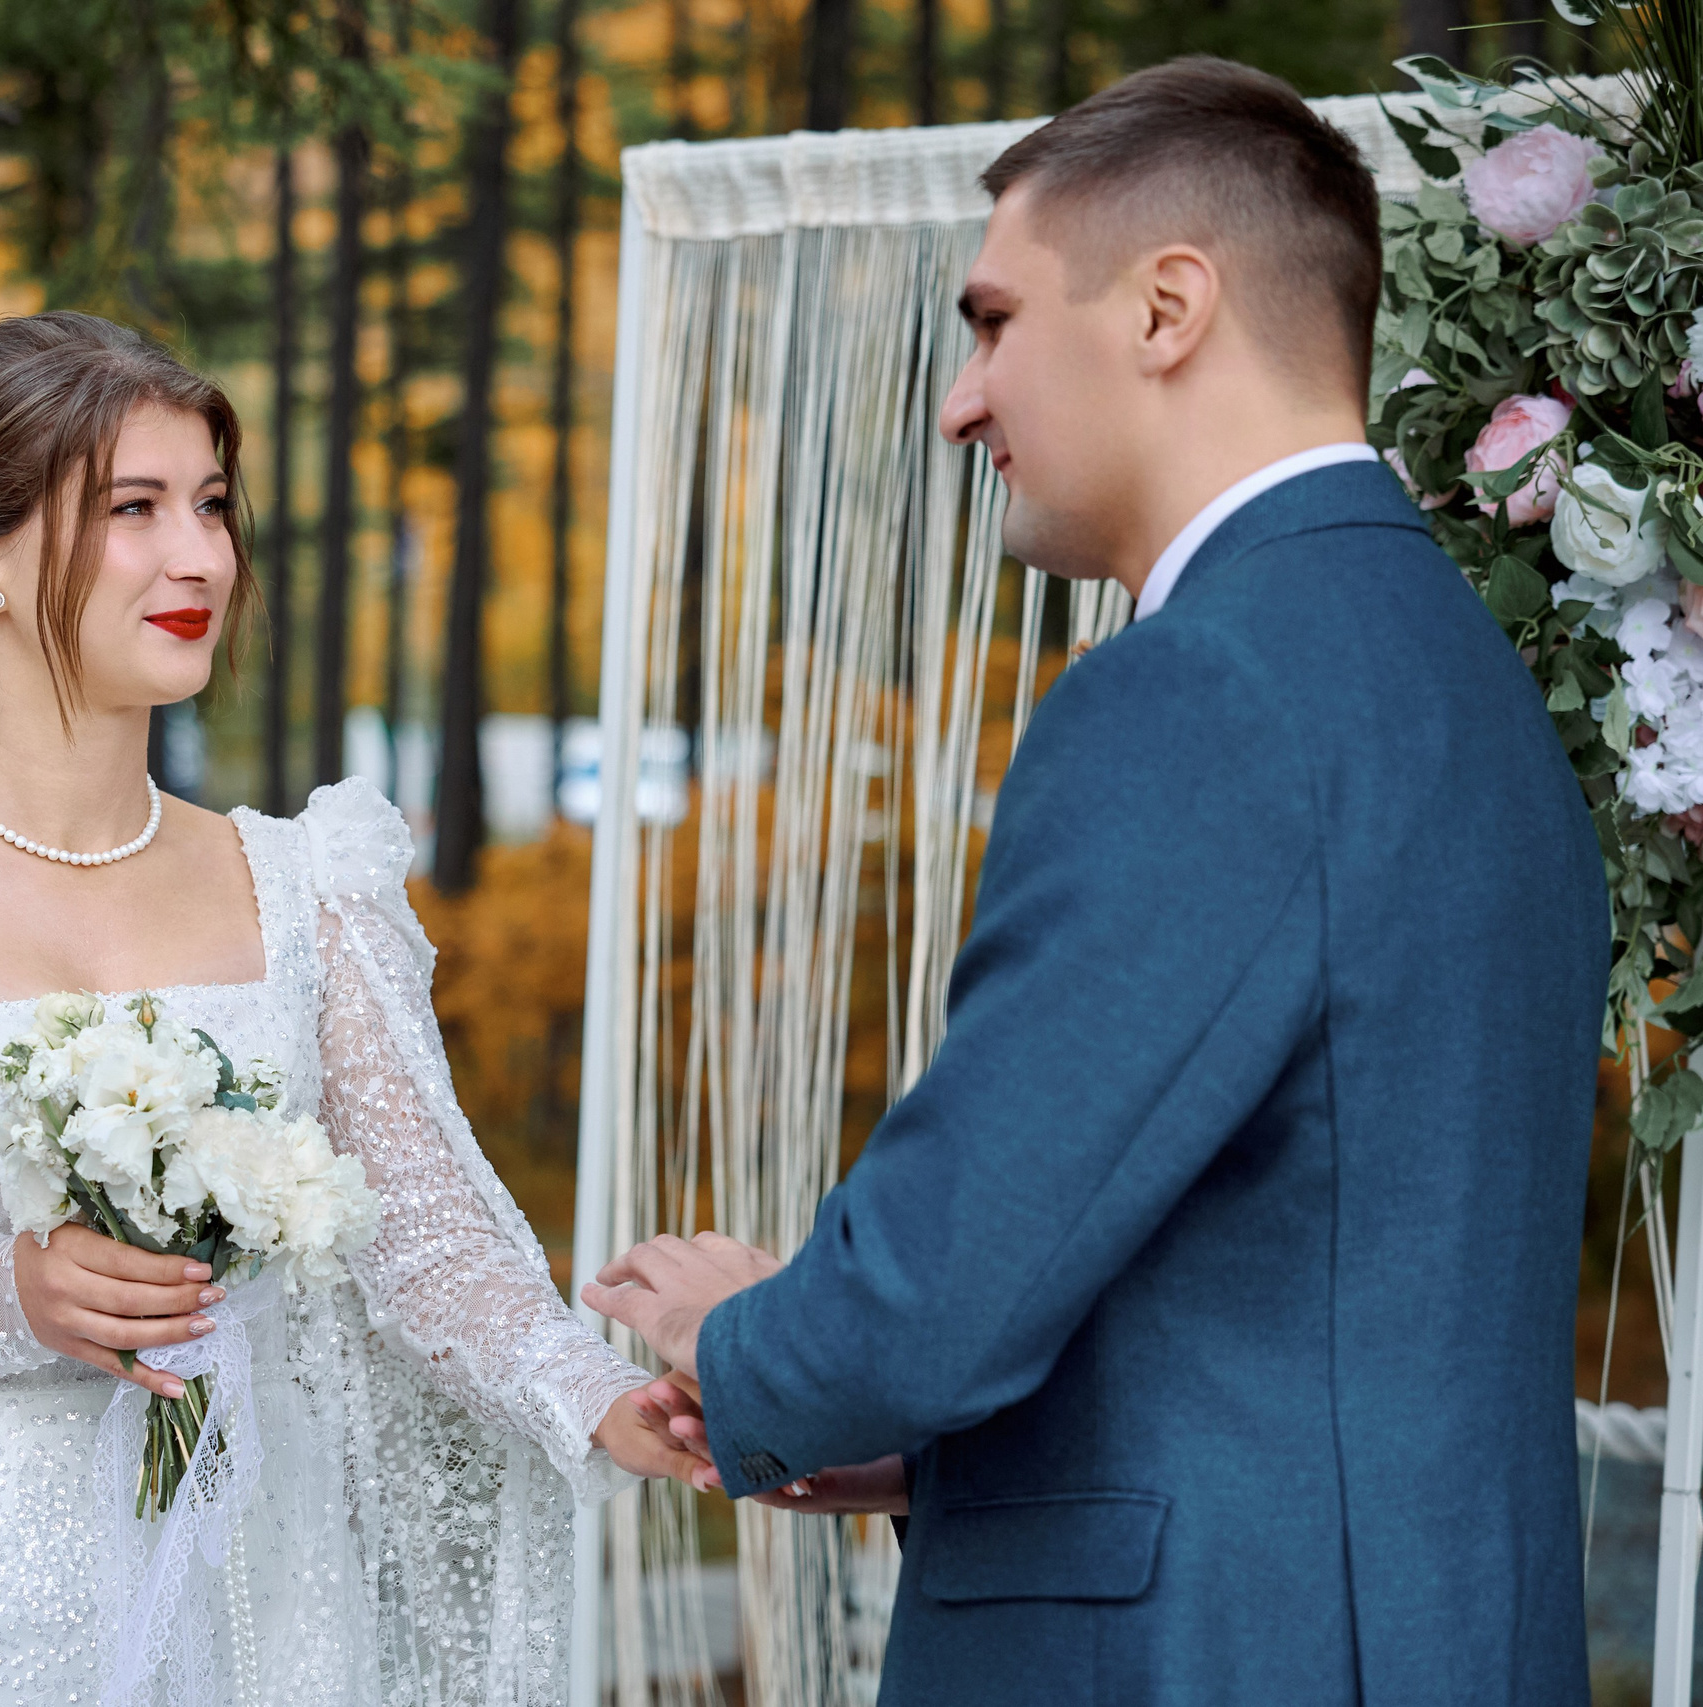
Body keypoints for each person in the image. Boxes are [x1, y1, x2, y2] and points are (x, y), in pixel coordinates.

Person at [586, 58, 1608, 1707]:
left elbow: (957, 1263)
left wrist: (750, 1343)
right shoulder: (1464, 679)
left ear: (1166, 309)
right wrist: (934, 1456)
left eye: (994, 324)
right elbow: (1302, 1274)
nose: (960, 403)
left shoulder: (1205, 687)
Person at [0, 310, 691, 1706]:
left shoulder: (312, 889)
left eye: (211, 506)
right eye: (133, 509)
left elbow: (430, 1241)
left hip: (261, 1594)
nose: (201, 557)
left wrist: (603, 1400)